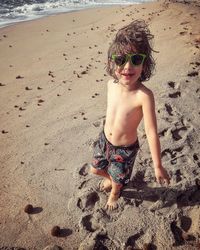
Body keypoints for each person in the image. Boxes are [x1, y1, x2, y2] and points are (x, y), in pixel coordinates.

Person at [90, 20, 170, 211]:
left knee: (118, 182)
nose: (127, 66)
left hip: (125, 150)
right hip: (104, 140)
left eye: (136, 59)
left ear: (144, 64)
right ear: (112, 62)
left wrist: (157, 165)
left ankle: (115, 192)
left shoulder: (143, 95)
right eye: (120, 59)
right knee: (95, 169)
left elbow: (151, 132)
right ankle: (112, 179)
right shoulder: (111, 85)